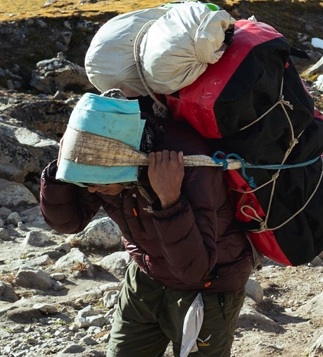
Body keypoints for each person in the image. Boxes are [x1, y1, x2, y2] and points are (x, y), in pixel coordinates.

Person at [40, 118, 252, 357]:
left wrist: (169, 200)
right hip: (145, 278)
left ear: (121, 161)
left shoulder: (189, 165)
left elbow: (194, 270)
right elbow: (68, 222)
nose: (90, 189)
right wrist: (60, 171)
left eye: (94, 182)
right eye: (85, 181)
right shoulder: (103, 167)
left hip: (209, 288)